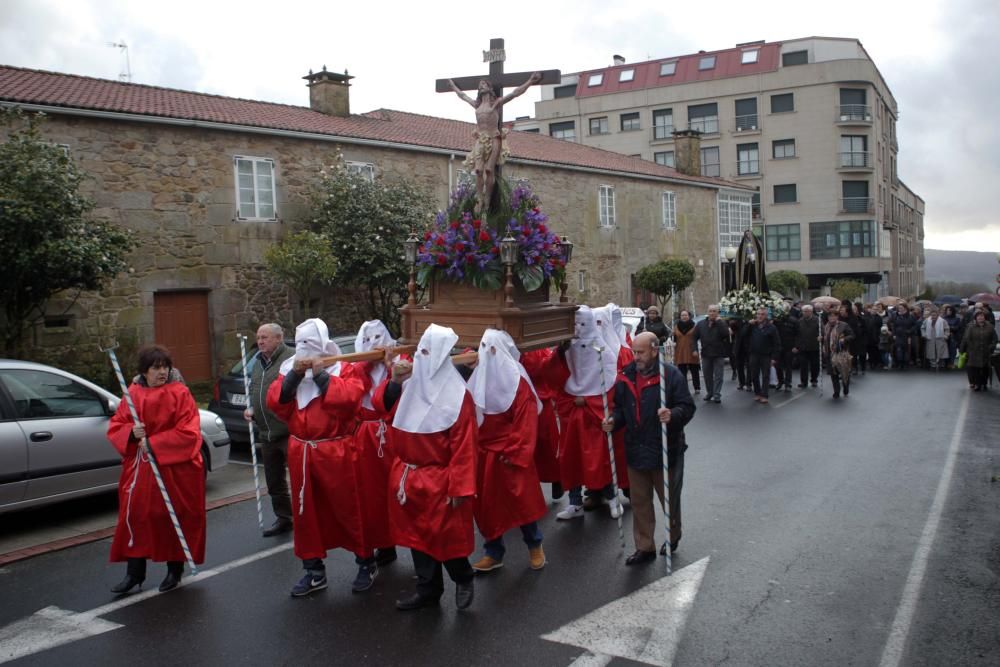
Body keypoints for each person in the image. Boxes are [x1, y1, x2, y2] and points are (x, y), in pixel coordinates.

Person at [267, 319, 374, 597]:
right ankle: (314, 571)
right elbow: (276, 404)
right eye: (300, 345)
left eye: (310, 345)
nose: (305, 351)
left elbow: (351, 400)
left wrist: (322, 377)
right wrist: (293, 378)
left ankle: (366, 562)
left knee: (349, 509)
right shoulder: (288, 370)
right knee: (306, 514)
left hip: (337, 451)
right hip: (302, 451)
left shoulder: (345, 368)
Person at [374, 324, 478, 610]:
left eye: (427, 351)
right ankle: (427, 589)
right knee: (417, 538)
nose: (420, 356)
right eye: (420, 349)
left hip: (440, 478)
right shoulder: (408, 386)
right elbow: (382, 407)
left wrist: (459, 486)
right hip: (408, 474)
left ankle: (463, 576)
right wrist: (394, 381)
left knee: (444, 538)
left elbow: (464, 447)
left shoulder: (459, 397)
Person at [107, 345, 206, 594]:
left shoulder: (180, 393)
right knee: (137, 517)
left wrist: (153, 442)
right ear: (145, 371)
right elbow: (118, 423)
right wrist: (130, 432)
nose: (162, 372)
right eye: (156, 368)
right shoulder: (133, 393)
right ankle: (134, 573)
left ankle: (175, 569)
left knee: (172, 517)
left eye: (165, 367)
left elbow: (189, 431)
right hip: (141, 468)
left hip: (174, 469)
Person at [604, 333, 696, 565]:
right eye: (634, 352)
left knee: (669, 500)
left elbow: (687, 406)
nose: (636, 357)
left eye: (641, 352)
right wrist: (613, 421)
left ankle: (673, 535)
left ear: (655, 351)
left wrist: (672, 415)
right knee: (640, 502)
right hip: (636, 449)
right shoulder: (626, 376)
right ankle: (645, 547)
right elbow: (621, 409)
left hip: (665, 449)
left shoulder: (671, 375)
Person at [467, 329, 548, 573]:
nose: (489, 355)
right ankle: (493, 552)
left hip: (509, 454)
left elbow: (526, 421)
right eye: (484, 348)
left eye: (493, 349)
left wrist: (514, 451)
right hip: (484, 454)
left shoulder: (518, 383)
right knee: (487, 506)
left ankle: (535, 545)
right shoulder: (477, 378)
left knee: (521, 501)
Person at [551, 306, 628, 521]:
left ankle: (612, 498)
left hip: (595, 418)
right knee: (572, 459)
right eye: (575, 324)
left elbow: (610, 386)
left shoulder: (603, 352)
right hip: (572, 417)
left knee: (601, 459)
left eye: (582, 324)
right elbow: (557, 378)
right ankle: (575, 503)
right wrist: (570, 400)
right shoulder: (567, 350)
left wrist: (587, 400)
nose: (578, 329)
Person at [447, 72, 542, 213]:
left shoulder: (496, 104)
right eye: (480, 86)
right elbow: (462, 96)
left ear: (489, 88)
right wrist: (453, 86)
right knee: (478, 170)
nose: (481, 87)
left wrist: (530, 81)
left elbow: (515, 93)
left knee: (488, 170)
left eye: (484, 85)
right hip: (480, 139)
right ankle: (479, 199)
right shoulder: (477, 105)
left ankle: (488, 199)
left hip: (494, 138)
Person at [353, 319, 403, 567]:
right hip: (366, 438)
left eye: (377, 339)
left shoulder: (399, 363)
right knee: (370, 494)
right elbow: (354, 393)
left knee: (397, 492)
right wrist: (364, 364)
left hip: (393, 433)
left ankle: (406, 540)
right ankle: (382, 544)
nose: (373, 345)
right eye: (367, 340)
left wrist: (390, 365)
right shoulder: (357, 368)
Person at [245, 323, 295, 537]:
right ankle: (285, 517)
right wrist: (251, 409)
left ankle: (309, 517)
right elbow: (254, 389)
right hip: (265, 432)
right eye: (258, 337)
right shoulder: (257, 362)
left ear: (278, 338)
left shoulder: (291, 359)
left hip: (289, 430)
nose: (260, 341)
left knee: (300, 477)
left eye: (265, 337)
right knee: (274, 480)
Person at [693, 304, 731, 403]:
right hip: (706, 353)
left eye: (714, 311)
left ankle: (717, 394)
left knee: (718, 375)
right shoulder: (701, 324)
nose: (712, 313)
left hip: (718, 353)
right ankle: (710, 392)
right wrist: (694, 349)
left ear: (717, 313)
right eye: (710, 311)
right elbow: (694, 337)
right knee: (707, 375)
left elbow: (725, 334)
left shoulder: (721, 323)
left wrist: (719, 322)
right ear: (708, 312)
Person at [747, 308, 781, 404]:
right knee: (754, 375)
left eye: (762, 314)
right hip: (754, 354)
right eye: (758, 314)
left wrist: (774, 357)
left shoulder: (771, 327)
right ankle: (757, 393)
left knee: (766, 375)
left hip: (766, 355)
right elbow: (743, 334)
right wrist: (749, 324)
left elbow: (777, 343)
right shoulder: (753, 326)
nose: (760, 316)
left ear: (766, 316)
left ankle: (764, 394)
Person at [959, 310, 998, 391]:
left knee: (985, 369)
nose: (980, 318)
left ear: (984, 317)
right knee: (974, 368)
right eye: (978, 316)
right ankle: (977, 384)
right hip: (974, 351)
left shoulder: (990, 326)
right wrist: (966, 348)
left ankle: (984, 383)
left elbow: (995, 338)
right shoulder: (971, 327)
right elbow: (966, 338)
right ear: (975, 318)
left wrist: (991, 346)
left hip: (986, 351)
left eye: (982, 316)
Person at [823, 309, 855, 398]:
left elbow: (852, 335)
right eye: (830, 316)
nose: (832, 318)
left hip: (842, 353)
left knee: (844, 372)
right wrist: (820, 338)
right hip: (830, 353)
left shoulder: (843, 325)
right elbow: (825, 338)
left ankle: (845, 387)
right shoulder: (826, 326)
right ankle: (836, 391)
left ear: (837, 317)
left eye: (834, 316)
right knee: (834, 373)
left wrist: (844, 339)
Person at [673, 310, 701, 395]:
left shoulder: (694, 326)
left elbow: (698, 337)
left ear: (689, 316)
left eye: (686, 315)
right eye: (682, 315)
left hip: (692, 350)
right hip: (680, 351)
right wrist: (672, 335)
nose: (684, 317)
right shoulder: (676, 326)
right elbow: (674, 339)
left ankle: (697, 387)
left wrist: (696, 349)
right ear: (680, 317)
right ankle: (684, 388)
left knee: (694, 370)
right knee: (682, 372)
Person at [794, 305, 821, 386]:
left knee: (815, 365)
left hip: (814, 346)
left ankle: (814, 380)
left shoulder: (817, 320)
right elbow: (796, 335)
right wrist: (796, 346)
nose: (805, 313)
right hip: (803, 347)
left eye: (807, 311)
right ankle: (804, 382)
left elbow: (822, 330)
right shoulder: (799, 321)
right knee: (803, 366)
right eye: (804, 311)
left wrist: (821, 336)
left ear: (811, 312)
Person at [775, 308, 799, 392]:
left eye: (786, 310)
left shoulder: (794, 320)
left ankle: (788, 383)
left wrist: (796, 346)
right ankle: (780, 381)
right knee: (777, 365)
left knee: (788, 366)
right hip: (778, 346)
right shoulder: (777, 320)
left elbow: (798, 334)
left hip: (789, 346)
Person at [889, 303, 915, 371]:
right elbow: (894, 326)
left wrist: (909, 331)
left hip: (907, 336)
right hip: (898, 336)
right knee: (899, 350)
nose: (899, 309)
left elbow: (914, 326)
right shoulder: (896, 316)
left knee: (906, 350)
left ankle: (905, 363)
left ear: (905, 308)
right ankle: (900, 363)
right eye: (899, 308)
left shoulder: (910, 316)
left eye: (901, 307)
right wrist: (894, 334)